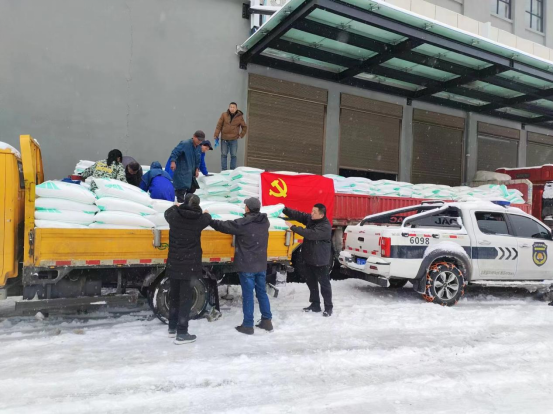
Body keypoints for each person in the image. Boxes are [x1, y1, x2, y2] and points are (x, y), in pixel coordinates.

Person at [209, 197, 273, 335]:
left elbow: (224, 226)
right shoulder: (265, 222)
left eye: (245, 205)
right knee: (261, 292)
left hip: (247, 265)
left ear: (248, 208)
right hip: (261, 264)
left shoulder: (243, 224)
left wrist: (209, 219)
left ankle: (248, 325)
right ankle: (267, 321)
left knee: (248, 295)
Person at [164, 194, 212, 345]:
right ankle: (182, 333)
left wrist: (176, 206)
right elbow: (208, 218)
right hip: (189, 267)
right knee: (185, 300)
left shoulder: (174, 216)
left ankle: (172, 328)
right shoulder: (199, 220)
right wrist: (204, 212)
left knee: (174, 297)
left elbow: (167, 212)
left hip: (174, 264)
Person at [284, 204, 333, 317]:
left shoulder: (325, 226)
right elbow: (299, 215)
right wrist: (285, 209)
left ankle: (328, 307)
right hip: (309, 258)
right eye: (312, 211)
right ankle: (315, 304)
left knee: (324, 285)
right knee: (311, 283)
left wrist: (293, 227)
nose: (312, 214)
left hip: (320, 261)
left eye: (315, 212)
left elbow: (310, 234)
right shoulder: (311, 219)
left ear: (321, 215)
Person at [169, 131, 204, 203]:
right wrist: (173, 162)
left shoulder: (198, 148)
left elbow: (198, 159)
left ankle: (186, 204)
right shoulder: (185, 144)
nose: (199, 142)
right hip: (182, 171)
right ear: (194, 136)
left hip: (191, 173)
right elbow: (175, 152)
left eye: (201, 140)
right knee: (181, 190)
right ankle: (180, 205)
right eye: (198, 139)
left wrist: (197, 169)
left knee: (192, 189)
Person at [214, 102, 248, 171]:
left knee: (233, 155)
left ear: (236, 108)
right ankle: (224, 170)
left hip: (234, 139)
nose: (232, 108)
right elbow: (219, 126)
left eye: (233, 107)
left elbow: (244, 127)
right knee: (224, 155)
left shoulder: (240, 117)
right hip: (224, 139)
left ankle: (232, 170)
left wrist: (241, 135)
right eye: (231, 107)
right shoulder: (224, 115)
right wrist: (216, 135)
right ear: (229, 108)